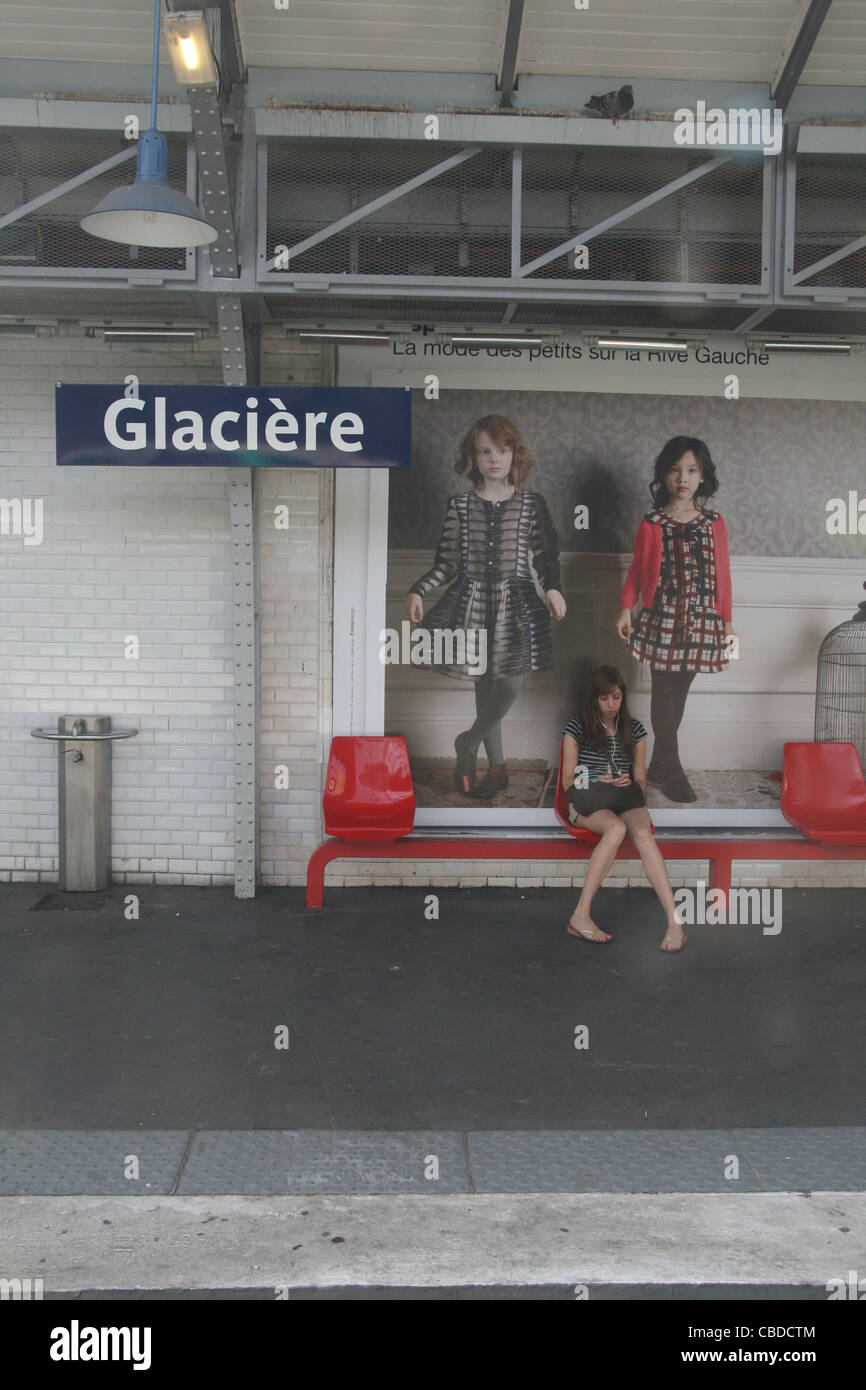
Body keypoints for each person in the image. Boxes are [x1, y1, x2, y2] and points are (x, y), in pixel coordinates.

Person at [406, 414, 566, 799]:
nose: (494, 458)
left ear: (515, 455)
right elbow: (446, 563)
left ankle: (466, 742)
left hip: (516, 603)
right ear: (473, 457)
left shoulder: (531, 504)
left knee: (509, 684)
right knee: (487, 688)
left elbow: (545, 556)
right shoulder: (460, 506)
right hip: (472, 603)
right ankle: (497, 770)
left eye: (503, 450)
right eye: (485, 451)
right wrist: (417, 589)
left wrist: (552, 589)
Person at [616, 436, 736, 803]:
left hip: (701, 619)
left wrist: (727, 624)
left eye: (691, 470)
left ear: (703, 477)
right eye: (673, 470)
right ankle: (673, 769)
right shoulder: (653, 522)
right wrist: (626, 607)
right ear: (663, 476)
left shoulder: (714, 523)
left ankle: (661, 765)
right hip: (661, 616)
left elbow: (723, 576)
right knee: (663, 690)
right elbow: (637, 570)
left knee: (678, 693)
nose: (681, 478)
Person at [562, 666, 686, 951]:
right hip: (589, 796)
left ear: (623, 697)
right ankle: (580, 916)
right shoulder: (577, 727)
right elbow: (569, 780)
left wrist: (629, 780)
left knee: (643, 835)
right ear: (594, 699)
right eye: (604, 698)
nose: (610, 704)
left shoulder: (636, 729)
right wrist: (596, 778)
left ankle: (675, 923)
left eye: (616, 697)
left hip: (623, 796)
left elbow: (641, 781)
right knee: (616, 829)